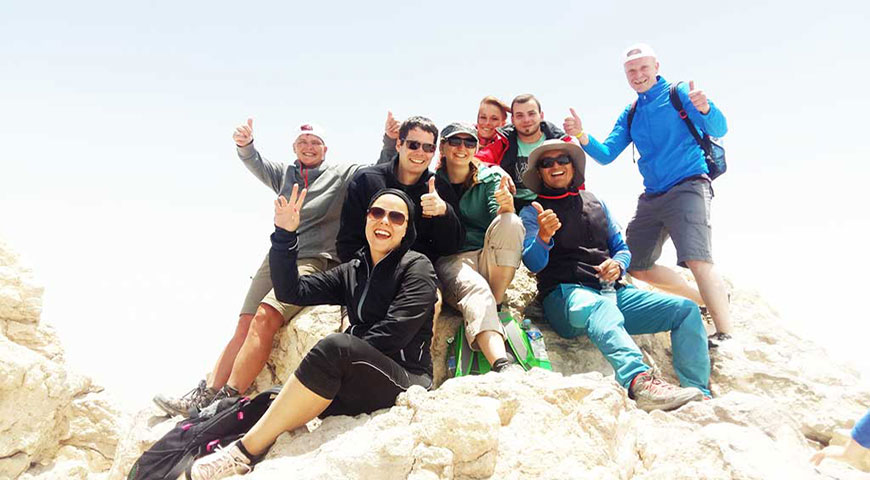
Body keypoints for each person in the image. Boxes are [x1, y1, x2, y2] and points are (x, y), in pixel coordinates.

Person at [188, 186, 437, 480]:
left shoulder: (417, 267)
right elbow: (291, 290)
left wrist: (337, 364)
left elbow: (394, 333)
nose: (384, 221)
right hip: (359, 377)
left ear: (406, 229)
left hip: (405, 378)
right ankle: (202, 446)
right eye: (377, 213)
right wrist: (285, 235)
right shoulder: (353, 271)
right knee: (273, 399)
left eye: (396, 217)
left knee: (335, 348)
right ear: (366, 219)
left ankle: (242, 454)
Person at [153, 119, 360, 417]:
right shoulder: (286, 173)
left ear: (325, 149)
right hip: (279, 252)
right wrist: (245, 144)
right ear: (294, 148)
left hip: (313, 258)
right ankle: (205, 395)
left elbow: (378, 168)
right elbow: (256, 162)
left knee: (266, 316)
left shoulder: (339, 175)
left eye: (315, 142)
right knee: (245, 321)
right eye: (303, 142)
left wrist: (390, 141)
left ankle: (228, 398)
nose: (309, 147)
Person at [519, 140, 710, 412]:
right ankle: (638, 381)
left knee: (685, 310)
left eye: (562, 160)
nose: (556, 166)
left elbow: (621, 249)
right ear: (539, 173)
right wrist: (543, 236)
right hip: (567, 297)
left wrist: (618, 265)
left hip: (614, 292)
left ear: (574, 167)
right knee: (600, 308)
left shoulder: (595, 202)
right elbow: (533, 262)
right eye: (547, 163)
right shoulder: (531, 212)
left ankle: (699, 392)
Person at [564, 43, 732, 341]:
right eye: (631, 70)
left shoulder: (679, 94)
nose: (638, 75)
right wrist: (580, 135)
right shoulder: (632, 113)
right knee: (637, 266)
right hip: (653, 196)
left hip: (689, 184)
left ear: (656, 66)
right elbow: (605, 154)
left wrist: (706, 107)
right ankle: (706, 299)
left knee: (697, 259)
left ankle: (724, 333)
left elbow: (720, 127)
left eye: (643, 68)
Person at [432, 122, 525, 371]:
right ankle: (502, 363)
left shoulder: (491, 177)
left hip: (487, 256)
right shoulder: (431, 182)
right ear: (442, 146)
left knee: (511, 221)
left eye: (469, 142)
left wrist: (506, 206)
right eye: (455, 141)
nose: (462, 148)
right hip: (453, 260)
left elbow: (500, 220)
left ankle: (495, 302)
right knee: (477, 290)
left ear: (476, 148)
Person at [336, 116, 464, 265]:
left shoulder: (439, 188)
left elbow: (451, 247)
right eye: (413, 145)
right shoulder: (366, 180)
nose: (420, 152)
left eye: (428, 147)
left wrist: (444, 212)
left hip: (419, 274)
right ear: (398, 144)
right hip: (368, 270)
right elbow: (348, 242)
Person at [475, 94, 578, 211]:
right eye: (519, 116)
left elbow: (577, 175)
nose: (526, 120)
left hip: (555, 203)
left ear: (541, 115)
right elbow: (477, 160)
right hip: (514, 205)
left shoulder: (560, 142)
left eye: (531, 114)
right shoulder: (505, 142)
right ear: (512, 120)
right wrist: (496, 169)